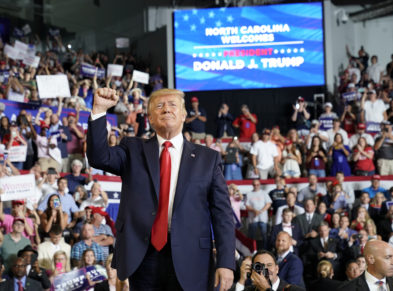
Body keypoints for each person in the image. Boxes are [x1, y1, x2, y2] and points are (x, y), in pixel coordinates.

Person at [87, 88, 235, 291]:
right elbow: (98, 157)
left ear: (184, 115)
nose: (166, 108)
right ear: (150, 118)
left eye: (173, 104)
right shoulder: (132, 149)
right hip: (142, 257)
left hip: (193, 259)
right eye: (159, 105)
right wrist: (99, 110)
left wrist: (226, 262)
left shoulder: (208, 159)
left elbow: (223, 214)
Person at [233, 250, 305, 291]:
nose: (265, 269)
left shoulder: (293, 289)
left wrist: (267, 289)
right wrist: (242, 280)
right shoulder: (248, 289)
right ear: (252, 270)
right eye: (259, 266)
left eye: (269, 265)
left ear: (277, 269)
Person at [246, 179, 272, 249]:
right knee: (252, 236)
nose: (256, 186)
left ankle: (265, 250)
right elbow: (247, 205)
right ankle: (251, 249)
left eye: (257, 184)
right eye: (254, 185)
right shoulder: (249, 194)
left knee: (264, 236)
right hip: (253, 219)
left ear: (259, 185)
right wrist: (254, 210)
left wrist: (260, 211)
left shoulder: (264, 193)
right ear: (252, 185)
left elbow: (268, 204)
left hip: (263, 219)